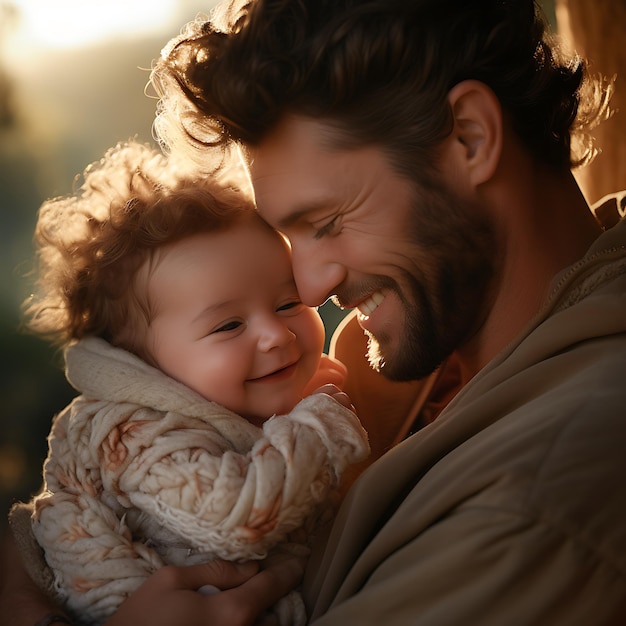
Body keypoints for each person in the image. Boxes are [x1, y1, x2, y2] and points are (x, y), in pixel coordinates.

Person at [3, 0, 626, 623]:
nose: (306, 287)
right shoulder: (392, 346)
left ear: (471, 137)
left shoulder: (544, 485)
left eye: (326, 222)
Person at [9, 140, 369, 626]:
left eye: (289, 303)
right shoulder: (130, 434)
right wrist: (324, 419)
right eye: (228, 326)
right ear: (145, 366)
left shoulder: (227, 406)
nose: (276, 334)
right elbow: (240, 516)